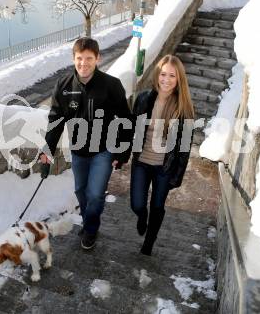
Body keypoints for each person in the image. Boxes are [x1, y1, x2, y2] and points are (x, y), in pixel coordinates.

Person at [40, 37, 132, 250]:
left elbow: (127, 120)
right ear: (74, 59)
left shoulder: (111, 85)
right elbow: (55, 121)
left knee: (95, 194)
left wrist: (123, 152)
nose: (84, 63)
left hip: (104, 149)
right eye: (79, 58)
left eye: (89, 58)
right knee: (81, 191)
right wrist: (47, 152)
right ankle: (90, 220)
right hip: (79, 150)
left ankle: (91, 229)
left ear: (97, 59)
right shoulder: (63, 86)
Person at [131, 54, 195, 256]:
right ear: (158, 74)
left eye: (172, 76)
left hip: (164, 167)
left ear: (179, 80)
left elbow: (184, 148)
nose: (166, 80)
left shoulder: (183, 108)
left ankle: (149, 242)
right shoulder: (143, 98)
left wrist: (176, 177)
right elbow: (130, 129)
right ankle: (142, 216)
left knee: (157, 206)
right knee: (137, 204)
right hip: (142, 161)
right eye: (163, 74)